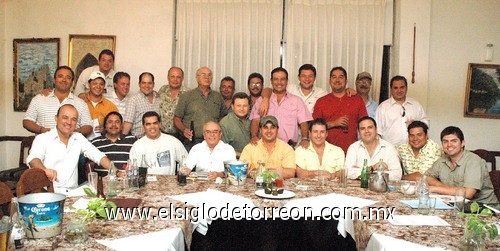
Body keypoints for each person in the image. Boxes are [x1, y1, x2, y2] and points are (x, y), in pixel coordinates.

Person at [26, 104, 112, 191]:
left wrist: (117, 172)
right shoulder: (42, 138)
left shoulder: (78, 137)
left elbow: (98, 156)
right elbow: (33, 159)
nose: (69, 122)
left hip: (73, 193)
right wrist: (45, 170)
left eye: (73, 119)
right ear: (56, 118)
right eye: (65, 117)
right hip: (48, 192)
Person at [426, 126, 499, 208]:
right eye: (445, 141)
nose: (449, 145)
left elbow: (468, 194)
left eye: (454, 141)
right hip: (458, 206)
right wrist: (443, 187)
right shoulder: (442, 160)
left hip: (484, 209)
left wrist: (434, 188)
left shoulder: (474, 161)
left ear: (462, 143)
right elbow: (427, 177)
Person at [249, 67, 312, 148]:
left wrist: (304, 139)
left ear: (287, 81)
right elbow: (255, 121)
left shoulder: (297, 101)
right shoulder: (262, 100)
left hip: (289, 147)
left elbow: (304, 123)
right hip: (265, 147)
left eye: (282, 79)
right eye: (276, 79)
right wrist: (254, 137)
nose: (279, 82)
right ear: (271, 81)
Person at [23, 66, 93, 136]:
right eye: (60, 76)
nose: (64, 80)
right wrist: (41, 130)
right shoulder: (39, 99)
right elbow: (27, 121)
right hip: (45, 144)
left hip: (71, 145)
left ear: (72, 82)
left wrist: (75, 131)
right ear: (54, 80)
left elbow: (88, 126)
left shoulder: (81, 103)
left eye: (68, 78)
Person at [313, 66, 368, 153]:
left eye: (341, 77)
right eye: (334, 77)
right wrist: (333, 123)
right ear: (329, 81)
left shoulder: (356, 99)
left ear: (346, 81)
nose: (337, 80)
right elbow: (314, 127)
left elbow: (365, 124)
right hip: (327, 151)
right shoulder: (321, 102)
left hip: (352, 150)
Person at [174, 67, 225, 150]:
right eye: (203, 75)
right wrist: (184, 130)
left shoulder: (218, 96)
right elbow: (177, 119)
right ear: (197, 78)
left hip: (213, 141)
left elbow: (224, 117)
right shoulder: (186, 96)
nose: (207, 77)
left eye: (209, 75)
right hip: (192, 141)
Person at [376, 75, 429, 146]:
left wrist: (416, 124)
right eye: (395, 88)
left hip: (413, 150)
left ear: (406, 88)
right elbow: (377, 132)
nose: (399, 91)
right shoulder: (382, 107)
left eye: (402, 87)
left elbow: (425, 125)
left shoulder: (416, 105)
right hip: (391, 150)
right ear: (391, 89)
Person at [345, 116, 402, 181]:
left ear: (376, 129)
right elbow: (347, 173)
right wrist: (372, 168)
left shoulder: (389, 148)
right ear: (359, 132)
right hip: (358, 189)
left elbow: (397, 175)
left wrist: (362, 172)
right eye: (363, 128)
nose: (366, 131)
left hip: (381, 189)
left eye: (370, 127)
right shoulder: (354, 147)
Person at [122, 72, 160, 138]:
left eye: (149, 83)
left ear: (153, 84)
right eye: (144, 83)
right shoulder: (133, 100)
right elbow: (128, 123)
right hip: (138, 140)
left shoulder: (158, 99)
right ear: (139, 84)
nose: (147, 86)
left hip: (156, 139)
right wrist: (122, 141)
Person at [83, 71, 118, 140]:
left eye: (101, 84)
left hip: (102, 143)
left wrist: (105, 129)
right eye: (95, 83)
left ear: (104, 86)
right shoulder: (81, 102)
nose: (98, 86)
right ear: (89, 84)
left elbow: (117, 129)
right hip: (81, 142)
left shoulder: (110, 106)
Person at [159, 67, 189, 138]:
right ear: (168, 77)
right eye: (172, 76)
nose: (175, 80)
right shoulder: (162, 90)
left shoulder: (188, 93)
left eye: (178, 77)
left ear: (182, 78)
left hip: (181, 135)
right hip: (163, 134)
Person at [220, 92, 251, 158]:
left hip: (255, 161)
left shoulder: (253, 120)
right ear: (232, 106)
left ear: (249, 107)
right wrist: (243, 156)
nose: (242, 109)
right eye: (238, 106)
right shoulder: (225, 123)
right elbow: (222, 148)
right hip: (234, 162)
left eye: (245, 106)